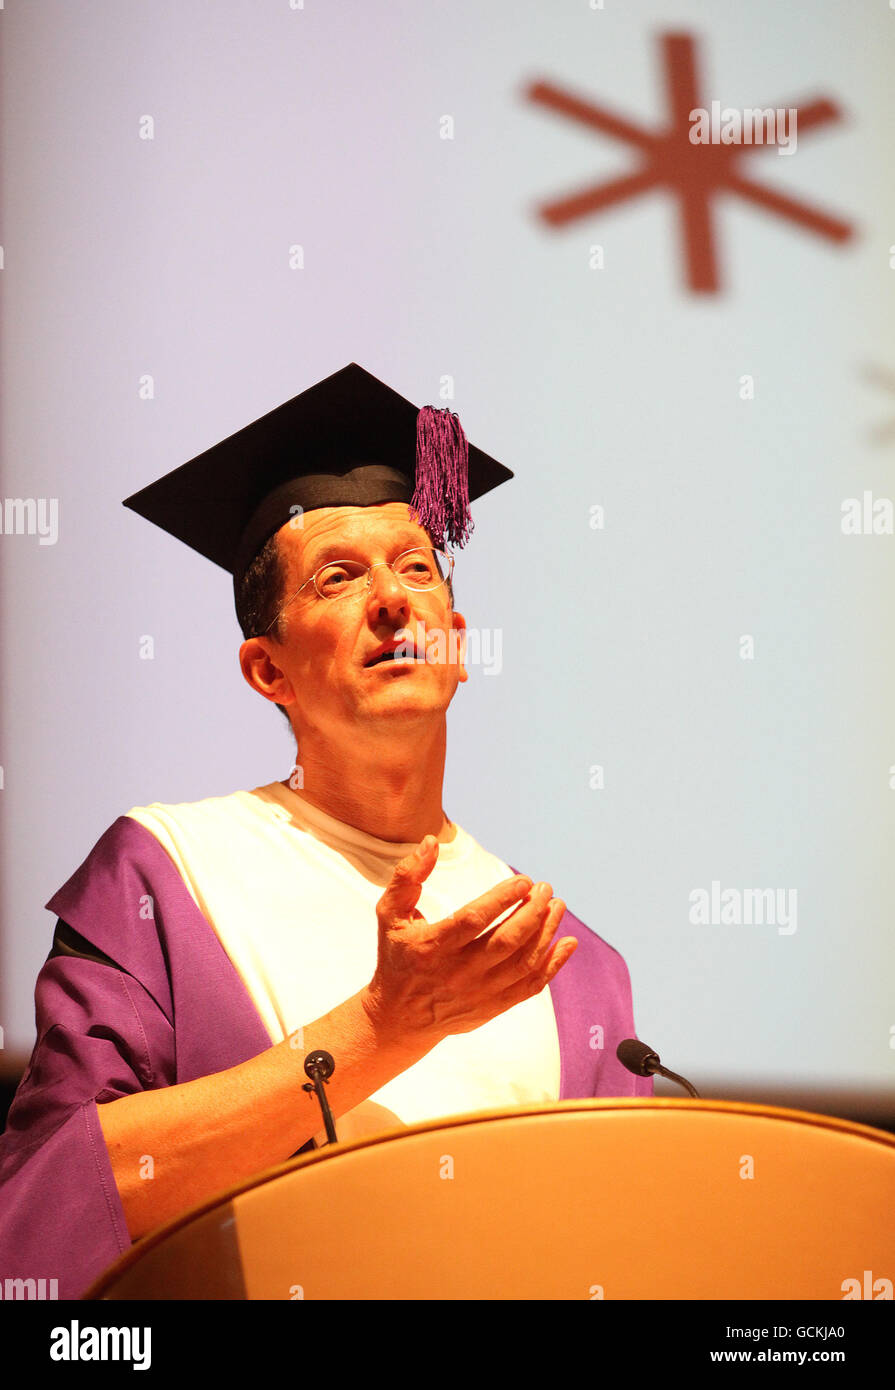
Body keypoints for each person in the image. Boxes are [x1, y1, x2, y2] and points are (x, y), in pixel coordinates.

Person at [0, 362, 651, 1299]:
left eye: (416, 568)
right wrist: (381, 1027)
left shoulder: (554, 953)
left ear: (455, 639)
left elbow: (634, 1246)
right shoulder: (166, 875)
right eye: (339, 577)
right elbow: (51, 1200)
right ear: (267, 671)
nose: (392, 601)